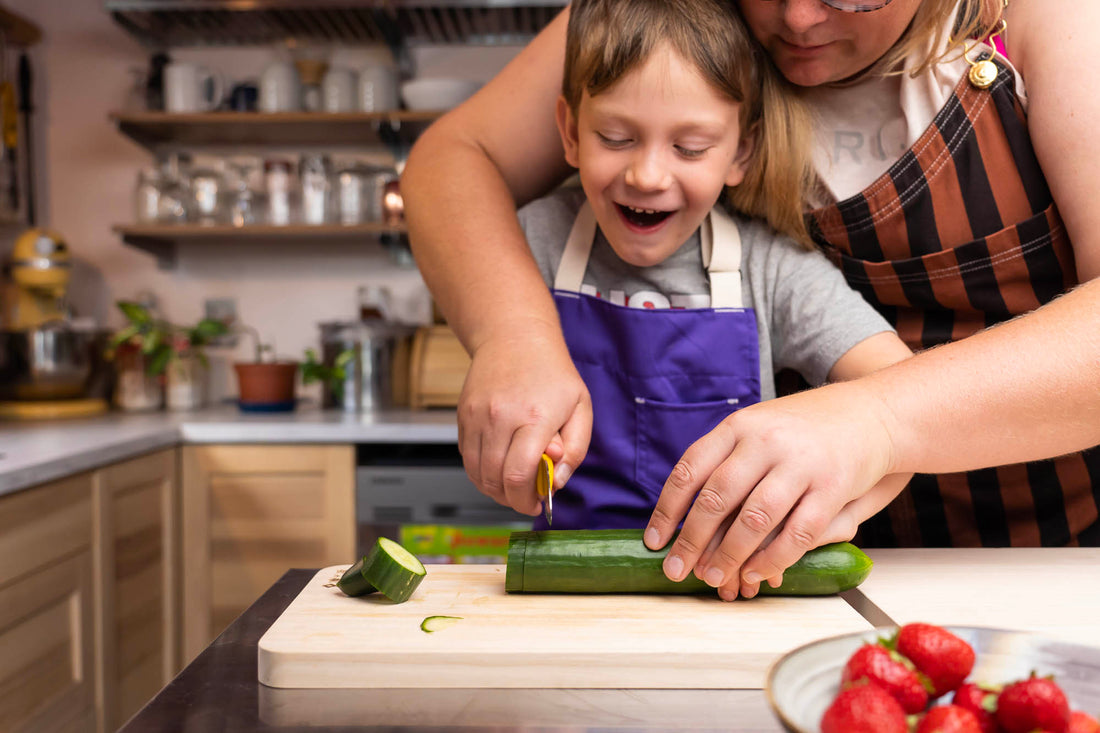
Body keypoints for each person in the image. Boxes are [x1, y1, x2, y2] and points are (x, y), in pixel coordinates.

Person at [402, 0, 1100, 599]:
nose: (797, 18)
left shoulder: (1045, 21)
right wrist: (514, 334)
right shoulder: (667, 17)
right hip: (789, 569)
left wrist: (880, 418)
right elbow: (453, 158)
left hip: (1052, 552)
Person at [500, 0, 911, 532]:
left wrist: (840, 505)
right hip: (572, 593)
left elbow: (900, 391)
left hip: (729, 591)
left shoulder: (772, 273)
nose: (647, 175)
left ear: (742, 152)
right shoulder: (532, 241)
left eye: (689, 147)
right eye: (615, 138)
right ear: (571, 131)